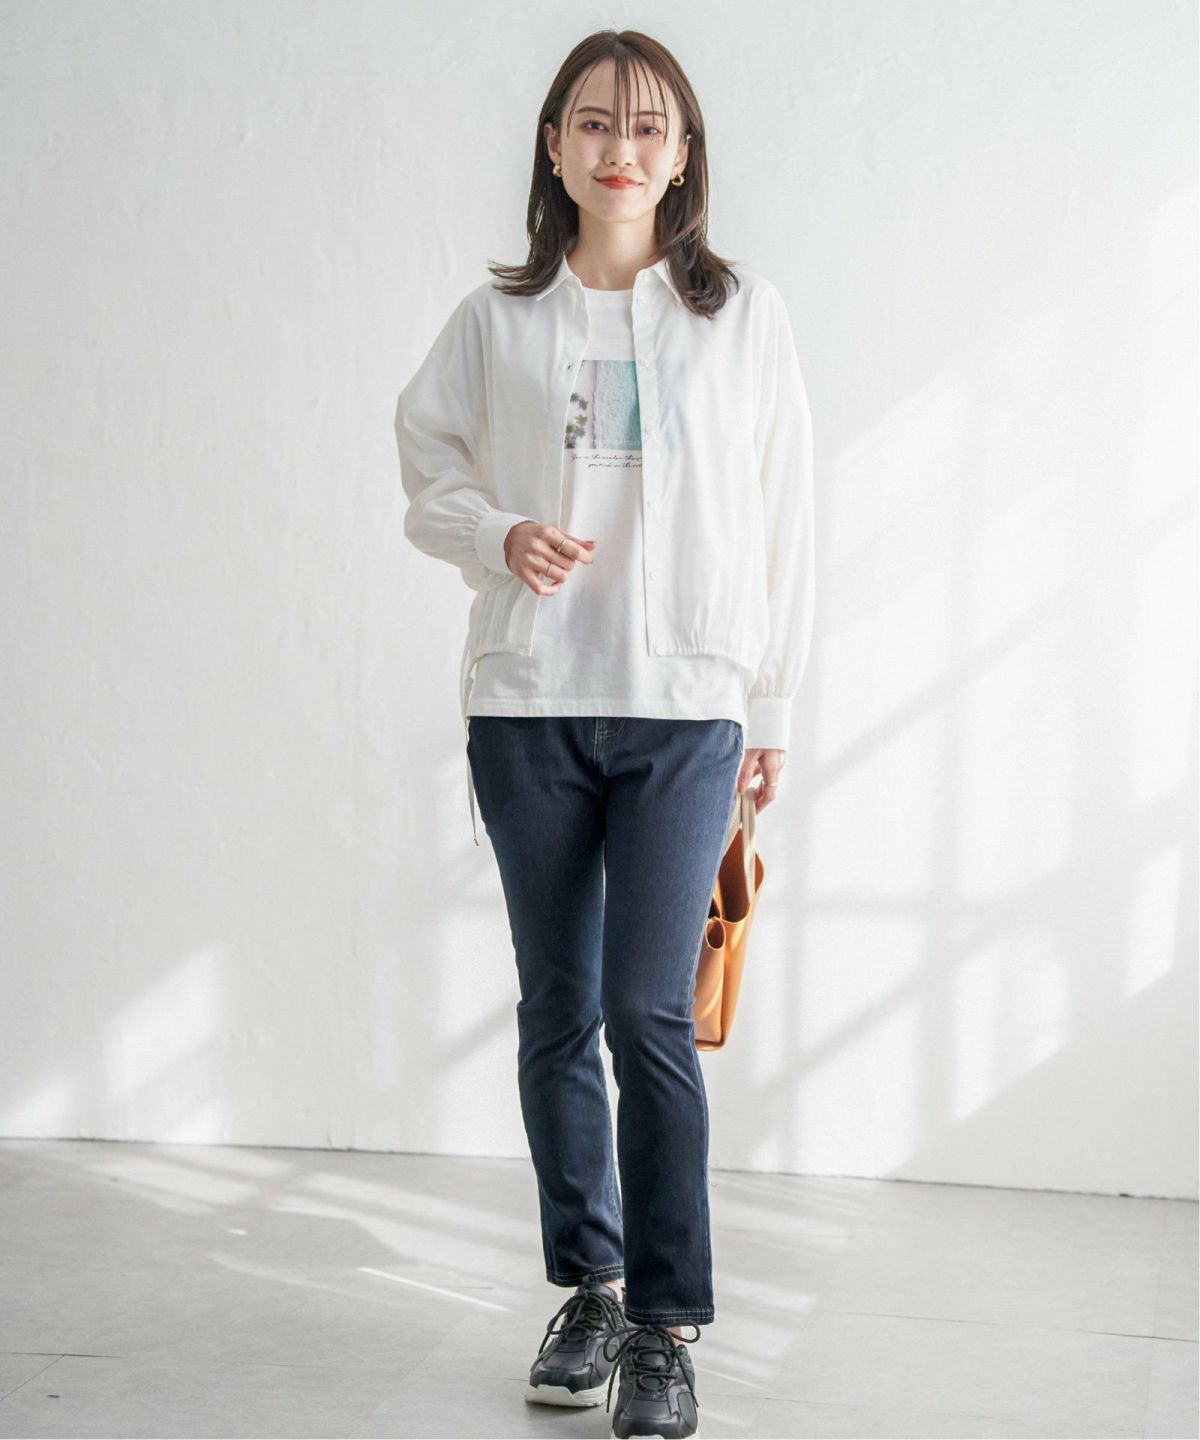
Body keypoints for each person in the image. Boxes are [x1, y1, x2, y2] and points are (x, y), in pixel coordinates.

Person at [394, 27, 814, 1440]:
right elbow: (424, 465)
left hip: (687, 709)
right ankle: (589, 1284)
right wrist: (494, 532)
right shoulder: (497, 319)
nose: (618, 148)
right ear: (554, 147)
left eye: (646, 126)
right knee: (558, 1008)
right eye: (591, 122)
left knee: (650, 1012)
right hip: (529, 703)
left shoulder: (742, 317)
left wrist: (772, 703)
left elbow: (788, 517)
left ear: (683, 154)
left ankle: (667, 1324)